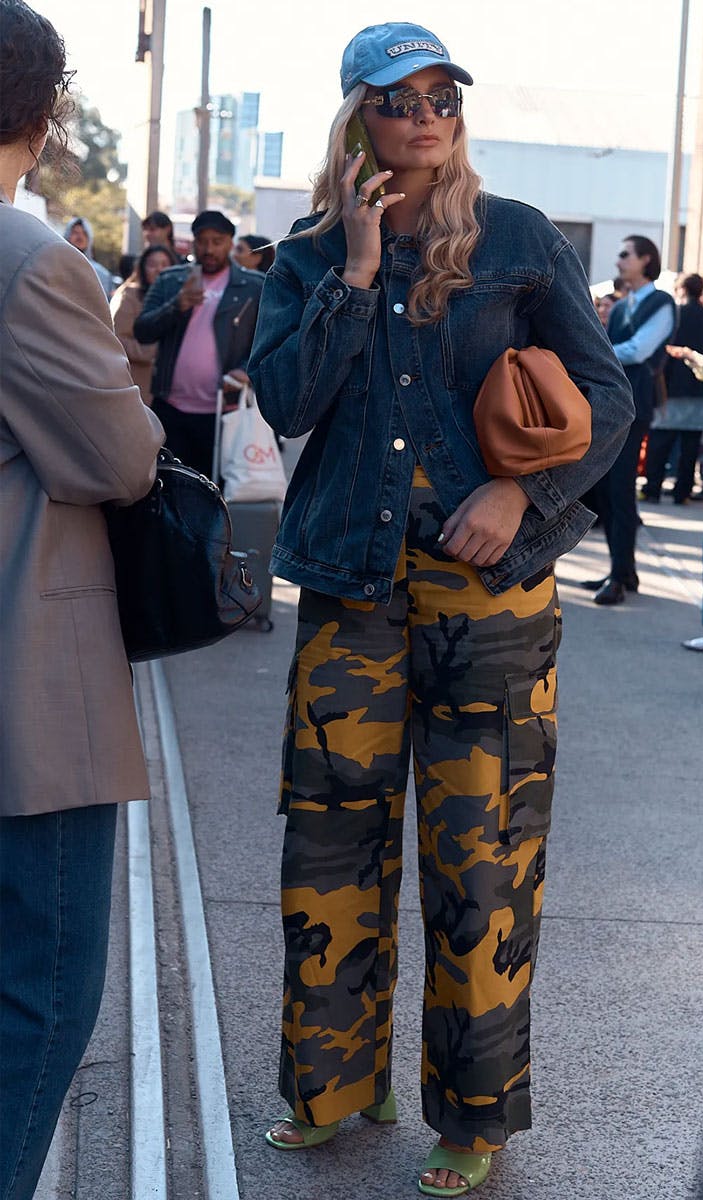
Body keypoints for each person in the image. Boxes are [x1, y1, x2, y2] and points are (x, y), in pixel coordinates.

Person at [247, 21, 633, 1197]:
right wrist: (359, 269)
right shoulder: (312, 254)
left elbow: (606, 393)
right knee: (329, 847)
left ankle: (474, 1117)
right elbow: (287, 401)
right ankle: (331, 1087)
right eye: (397, 98)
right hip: (350, 593)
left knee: (482, 860)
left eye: (440, 97)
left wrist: (524, 490)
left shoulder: (513, 238)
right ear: (355, 116)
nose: (424, 115)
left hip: (491, 604)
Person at [0, 5, 164, 1197]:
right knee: (42, 994)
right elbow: (119, 461)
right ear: (46, 120)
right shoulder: (27, 260)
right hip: (25, 686)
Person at [580, 235, 676, 604]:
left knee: (619, 490)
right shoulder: (621, 308)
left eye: (625, 254)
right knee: (605, 489)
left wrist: (592, 354)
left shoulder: (661, 302)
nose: (618, 260)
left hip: (635, 409)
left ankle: (620, 575)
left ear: (645, 259)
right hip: (612, 408)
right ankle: (623, 571)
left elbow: (640, 350)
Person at [133, 209, 263, 478]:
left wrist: (246, 370)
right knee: (167, 487)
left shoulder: (254, 286)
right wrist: (177, 305)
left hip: (222, 411)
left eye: (217, 241)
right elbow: (142, 330)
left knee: (214, 492)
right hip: (170, 408)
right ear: (193, 242)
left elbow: (268, 342)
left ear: (230, 242)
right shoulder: (171, 280)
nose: (209, 249)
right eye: (202, 241)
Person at [641, 273, 703, 504]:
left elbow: (660, 351)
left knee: (660, 442)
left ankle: (652, 488)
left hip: (669, 386)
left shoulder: (674, 314)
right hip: (698, 386)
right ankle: (682, 492)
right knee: (690, 446)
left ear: (681, 289)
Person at [110, 243, 177, 405]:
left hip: (173, 390)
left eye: (164, 265)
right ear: (142, 267)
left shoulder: (180, 298)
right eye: (153, 265)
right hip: (139, 383)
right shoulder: (129, 295)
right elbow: (117, 339)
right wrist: (153, 352)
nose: (159, 270)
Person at [63, 214, 115, 298]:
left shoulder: (102, 274)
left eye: (84, 233)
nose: (80, 237)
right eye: (75, 233)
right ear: (67, 236)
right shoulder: (57, 267)